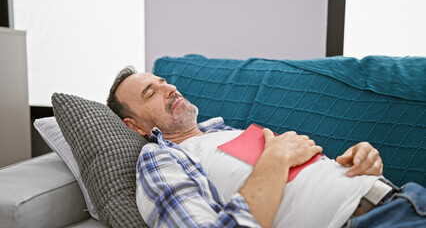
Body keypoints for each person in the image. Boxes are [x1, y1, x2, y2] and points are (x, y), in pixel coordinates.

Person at [107, 67, 426, 228]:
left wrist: (361, 167)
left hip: (404, 197)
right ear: (134, 126)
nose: (169, 88)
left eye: (164, 82)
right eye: (151, 93)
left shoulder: (223, 131)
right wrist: (274, 161)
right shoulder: (159, 159)